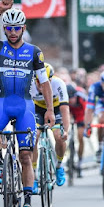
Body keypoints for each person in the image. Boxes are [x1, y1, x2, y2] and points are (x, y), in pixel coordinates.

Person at [0, 0, 55, 207]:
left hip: (25, 107)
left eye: (16, 28)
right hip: (2, 105)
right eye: (8, 28)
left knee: (26, 156)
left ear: (23, 28)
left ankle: (28, 200)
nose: (12, 32)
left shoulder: (34, 51)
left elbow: (45, 83)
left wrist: (49, 110)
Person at [31, 63, 70, 193]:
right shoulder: (30, 85)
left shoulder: (59, 84)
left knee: (59, 136)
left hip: (56, 109)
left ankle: (59, 166)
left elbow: (64, 110)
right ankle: (34, 175)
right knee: (33, 137)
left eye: (45, 82)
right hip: (37, 110)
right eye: (39, 82)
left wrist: (67, 130)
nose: (42, 86)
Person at [67, 83, 87, 177]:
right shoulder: (65, 100)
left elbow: (87, 113)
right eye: (69, 98)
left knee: (80, 136)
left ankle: (80, 161)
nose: (71, 100)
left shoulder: (81, 98)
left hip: (81, 115)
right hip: (70, 114)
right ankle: (68, 157)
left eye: (72, 98)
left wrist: (85, 124)